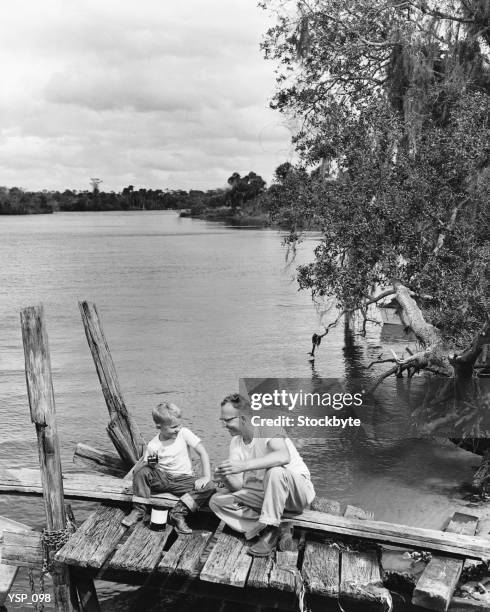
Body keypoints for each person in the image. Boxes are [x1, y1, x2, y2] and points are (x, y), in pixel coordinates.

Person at [210, 393, 315, 557]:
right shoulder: (236, 443)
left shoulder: (267, 426)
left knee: (275, 471)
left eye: (228, 420)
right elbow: (239, 486)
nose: (224, 425)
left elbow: (283, 456)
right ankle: (277, 526)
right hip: (268, 496)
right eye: (222, 420)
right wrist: (226, 476)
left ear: (243, 417)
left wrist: (243, 465)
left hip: (296, 493)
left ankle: (270, 531)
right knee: (217, 501)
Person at [122, 402, 215, 533]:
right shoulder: (153, 444)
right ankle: (138, 509)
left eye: (179, 425)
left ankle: (178, 512)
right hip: (162, 479)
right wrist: (150, 462)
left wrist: (206, 476)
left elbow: (202, 452)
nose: (178, 429)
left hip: (183, 479)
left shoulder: (184, 433)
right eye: (173, 427)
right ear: (159, 426)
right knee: (140, 470)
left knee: (210, 486)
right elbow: (149, 467)